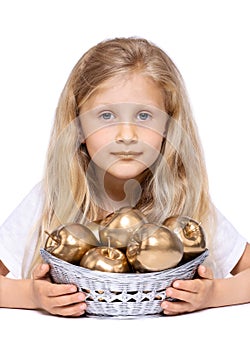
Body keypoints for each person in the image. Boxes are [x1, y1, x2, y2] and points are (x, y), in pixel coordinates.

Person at [0, 37, 249, 317]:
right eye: (106, 115)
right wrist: (32, 295)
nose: (127, 136)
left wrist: (214, 294)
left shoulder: (185, 204)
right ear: (78, 128)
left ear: (168, 126)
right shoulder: (49, 199)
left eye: (144, 116)